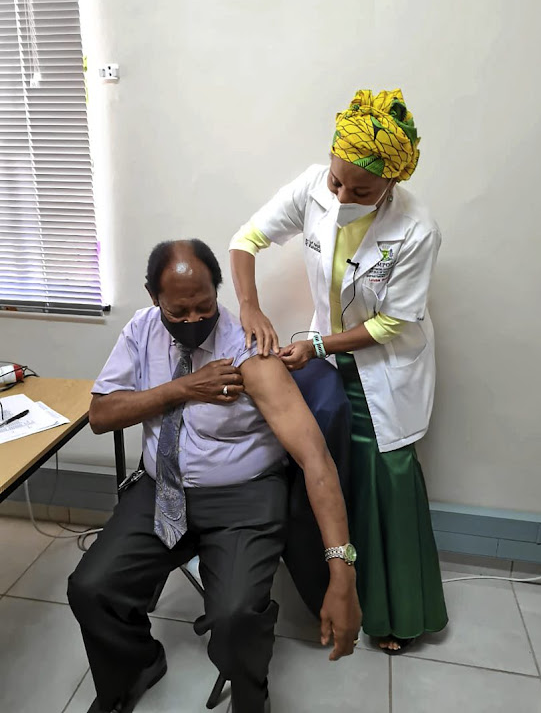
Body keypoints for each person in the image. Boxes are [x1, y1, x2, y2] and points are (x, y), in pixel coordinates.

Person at [67, 239, 361, 713]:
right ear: (153, 297)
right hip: (162, 488)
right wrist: (184, 388)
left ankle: (250, 697)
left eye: (203, 307)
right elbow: (102, 415)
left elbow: (315, 458)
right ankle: (136, 664)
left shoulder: (247, 348)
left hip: (242, 494)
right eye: (177, 310)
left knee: (236, 614)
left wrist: (340, 571)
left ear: (216, 292)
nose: (191, 320)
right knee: (91, 587)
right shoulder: (141, 331)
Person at [229, 88, 448, 653]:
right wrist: (250, 307)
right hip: (326, 359)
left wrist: (319, 346)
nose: (344, 196)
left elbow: (391, 326)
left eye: (363, 190)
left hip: (384, 365)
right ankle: (337, 597)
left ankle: (398, 615)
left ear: (392, 184)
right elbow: (246, 239)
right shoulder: (310, 186)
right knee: (331, 471)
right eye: (337, 182)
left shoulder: (417, 230)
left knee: (387, 478)